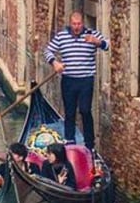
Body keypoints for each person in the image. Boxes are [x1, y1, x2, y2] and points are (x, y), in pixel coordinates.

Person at [43, 12, 108, 149]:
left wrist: (97, 42)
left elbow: (107, 45)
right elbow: (48, 51)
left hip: (86, 80)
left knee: (85, 110)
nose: (77, 27)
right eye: (74, 24)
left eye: (79, 24)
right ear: (70, 24)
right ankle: (70, 142)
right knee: (70, 111)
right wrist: (55, 63)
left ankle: (90, 144)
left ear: (82, 23)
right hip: (68, 80)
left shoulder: (91, 34)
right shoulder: (62, 36)